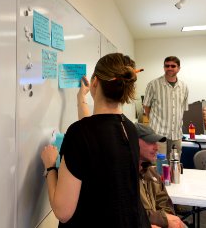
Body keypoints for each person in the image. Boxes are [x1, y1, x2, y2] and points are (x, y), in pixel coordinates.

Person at [41, 53, 150, 227]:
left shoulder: (80, 134)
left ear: (95, 82)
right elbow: (95, 133)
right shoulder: (129, 127)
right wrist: (80, 99)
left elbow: (63, 212)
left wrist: (50, 167)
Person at [135, 123, 185, 228]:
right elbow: (130, 215)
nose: (156, 147)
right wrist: (164, 220)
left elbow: (165, 203)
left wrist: (167, 220)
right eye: (151, 142)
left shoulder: (152, 174)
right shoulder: (123, 176)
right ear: (134, 142)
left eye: (156, 142)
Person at [143, 56, 189, 159]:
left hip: (176, 135)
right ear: (164, 67)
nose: (170, 68)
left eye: (173, 66)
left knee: (174, 164)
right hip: (158, 134)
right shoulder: (153, 85)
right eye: (167, 66)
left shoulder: (184, 87)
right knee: (158, 167)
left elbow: (182, 109)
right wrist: (154, 122)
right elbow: (146, 106)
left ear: (178, 68)